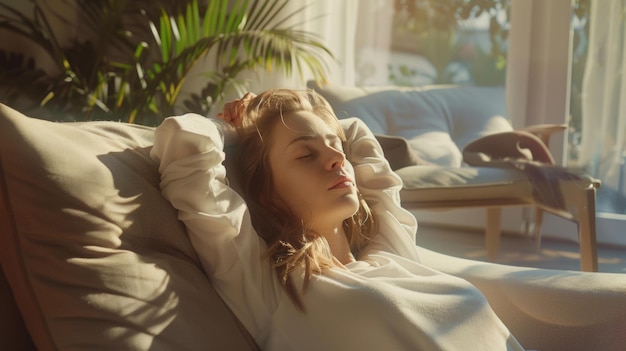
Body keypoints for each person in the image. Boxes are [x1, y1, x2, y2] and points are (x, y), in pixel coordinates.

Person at [151, 89, 525, 350]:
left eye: (335, 147)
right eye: (304, 155)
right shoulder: (269, 287)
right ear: (266, 192)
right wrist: (237, 129)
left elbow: (360, 135)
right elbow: (184, 142)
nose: (335, 158)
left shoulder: (393, 251)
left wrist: (300, 117)